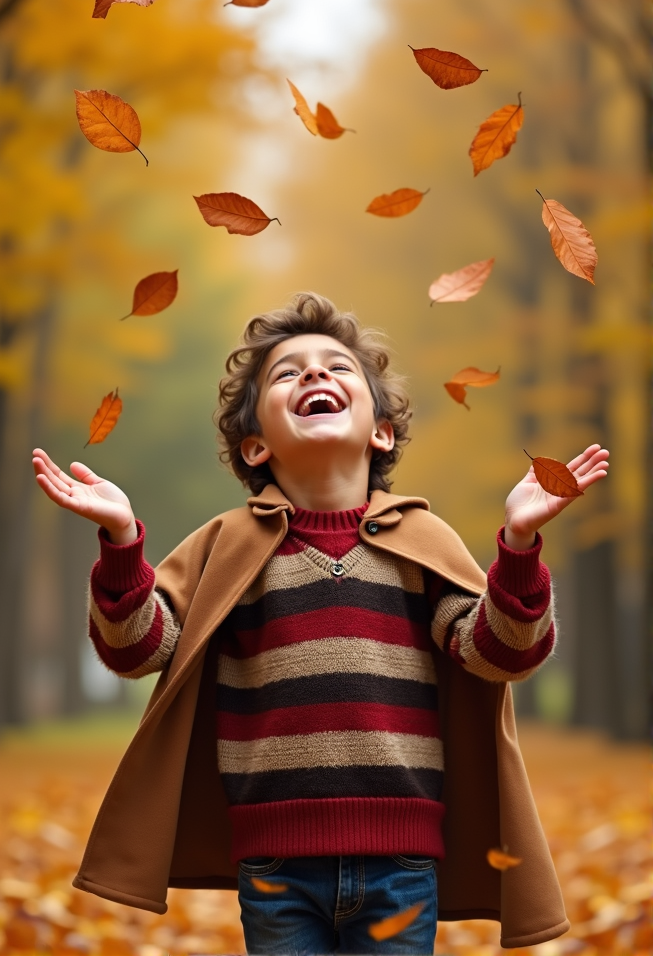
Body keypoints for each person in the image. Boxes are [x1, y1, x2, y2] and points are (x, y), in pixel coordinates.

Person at [33, 292, 608, 955]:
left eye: (337, 367)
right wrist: (123, 538)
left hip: (404, 858)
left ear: (380, 431)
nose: (314, 375)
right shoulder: (227, 545)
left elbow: (497, 654)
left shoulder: (421, 540)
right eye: (287, 373)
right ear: (254, 447)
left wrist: (516, 545)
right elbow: (140, 646)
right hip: (275, 861)